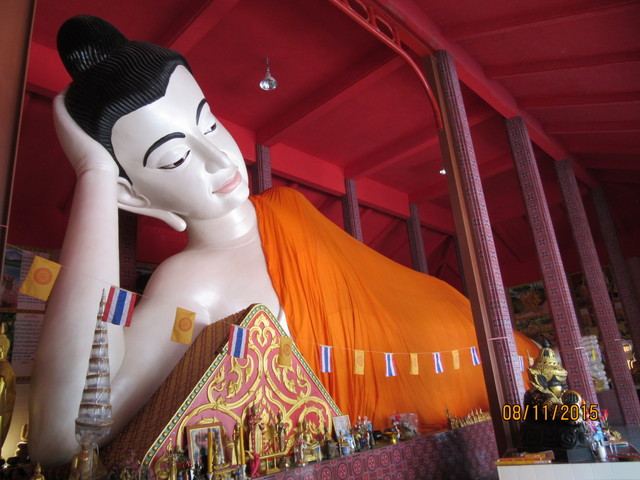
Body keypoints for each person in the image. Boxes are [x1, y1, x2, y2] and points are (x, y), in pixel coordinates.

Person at [29, 15, 538, 466]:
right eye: (175, 158)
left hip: (459, 348)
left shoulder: (286, 207)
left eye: (209, 123)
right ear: (135, 195)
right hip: (369, 437)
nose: (220, 160)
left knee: (481, 335)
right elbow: (64, 437)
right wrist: (95, 175)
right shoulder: (193, 284)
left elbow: (382, 293)